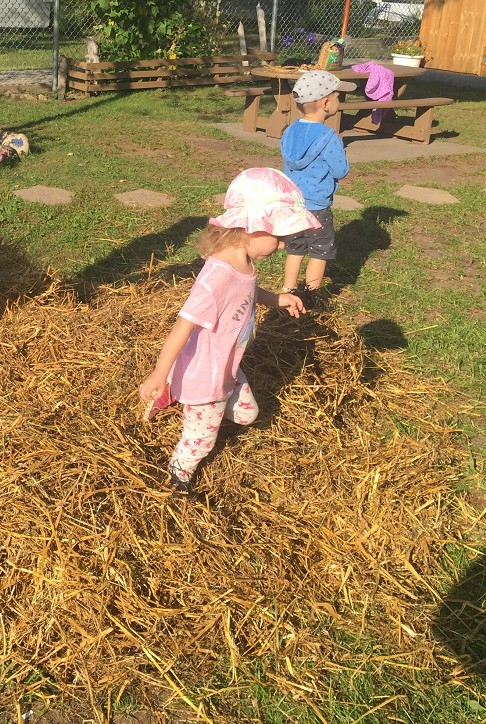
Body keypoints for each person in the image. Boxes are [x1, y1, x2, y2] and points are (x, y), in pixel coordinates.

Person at [138, 168, 318, 492]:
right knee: (200, 440)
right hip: (206, 377)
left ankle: (183, 403)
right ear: (250, 227)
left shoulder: (243, 265)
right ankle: (178, 473)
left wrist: (277, 299)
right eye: (277, 237)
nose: (280, 247)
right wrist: (158, 373)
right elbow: (182, 327)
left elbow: (249, 293)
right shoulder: (217, 277)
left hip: (227, 367)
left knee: (248, 414)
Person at [279, 69, 353, 302]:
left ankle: (289, 291)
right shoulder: (328, 136)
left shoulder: (289, 131)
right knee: (319, 252)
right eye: (339, 96)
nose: (340, 101)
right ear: (326, 102)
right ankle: (311, 295)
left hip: (293, 205)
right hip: (317, 206)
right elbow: (341, 170)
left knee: (295, 249)